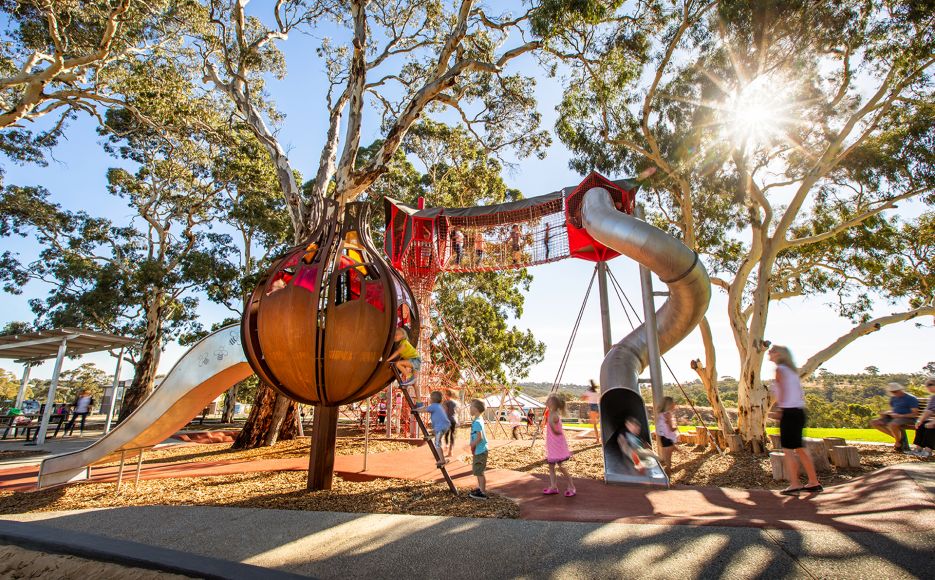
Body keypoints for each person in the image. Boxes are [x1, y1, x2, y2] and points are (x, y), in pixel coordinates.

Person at [768, 345, 822, 495]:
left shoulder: (780, 370)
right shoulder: (792, 371)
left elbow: (783, 392)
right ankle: (813, 482)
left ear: (779, 354)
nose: (769, 353)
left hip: (789, 412)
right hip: (799, 411)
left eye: (771, 351)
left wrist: (780, 409)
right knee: (800, 448)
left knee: (788, 451)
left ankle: (795, 484)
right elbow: (799, 392)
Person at [870, 382, 920, 451]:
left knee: (893, 424)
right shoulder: (893, 398)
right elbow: (893, 410)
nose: (894, 393)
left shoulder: (911, 398)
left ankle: (898, 441)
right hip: (895, 417)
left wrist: (900, 415)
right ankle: (899, 439)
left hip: (908, 418)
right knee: (874, 422)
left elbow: (915, 414)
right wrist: (886, 413)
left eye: (895, 391)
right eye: (892, 392)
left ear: (900, 390)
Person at [543, 394, 576, 497]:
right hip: (553, 444)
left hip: (556, 444)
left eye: (548, 401)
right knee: (551, 466)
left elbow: (554, 428)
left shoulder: (553, 415)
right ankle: (553, 486)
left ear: (552, 404)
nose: (546, 402)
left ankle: (572, 487)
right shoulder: (552, 413)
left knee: (561, 466)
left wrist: (552, 427)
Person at [414, 391, 450, 467]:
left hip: (440, 427)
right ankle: (434, 433)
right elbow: (426, 408)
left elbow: (424, 409)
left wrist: (416, 410)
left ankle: (442, 460)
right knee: (437, 434)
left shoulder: (434, 406)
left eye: (430, 398)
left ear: (432, 399)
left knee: (437, 443)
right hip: (445, 425)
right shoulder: (439, 406)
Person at [468, 399, 489, 500]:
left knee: (479, 472)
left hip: (480, 450)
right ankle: (480, 488)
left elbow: (479, 437)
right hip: (480, 450)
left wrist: (472, 444)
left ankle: (482, 492)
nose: (469, 408)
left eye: (471, 406)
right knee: (478, 471)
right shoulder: (478, 419)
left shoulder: (477, 422)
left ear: (475, 409)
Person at [911, 376, 935, 456]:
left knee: (932, 427)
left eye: (929, 385)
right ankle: (918, 449)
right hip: (933, 419)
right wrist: (920, 420)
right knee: (921, 425)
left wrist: (934, 422)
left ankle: (928, 451)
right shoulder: (933, 398)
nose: (927, 387)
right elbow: (928, 410)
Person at [655, 396, 679, 474]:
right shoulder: (668, 414)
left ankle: (674, 447)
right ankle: (667, 478)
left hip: (663, 438)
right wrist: (677, 427)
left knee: (665, 459)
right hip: (667, 438)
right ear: (670, 405)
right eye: (673, 403)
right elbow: (671, 429)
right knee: (668, 461)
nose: (674, 404)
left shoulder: (661, 414)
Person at [442, 389, 458, 457]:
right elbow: (456, 411)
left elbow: (445, 411)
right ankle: (450, 451)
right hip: (454, 420)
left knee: (446, 434)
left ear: (447, 395)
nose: (444, 395)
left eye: (445, 394)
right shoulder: (455, 402)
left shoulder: (445, 402)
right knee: (452, 435)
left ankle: (447, 446)